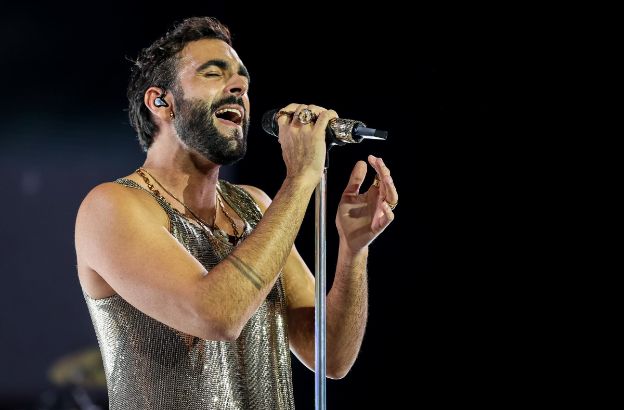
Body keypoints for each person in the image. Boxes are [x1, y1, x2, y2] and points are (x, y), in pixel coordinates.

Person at [74, 16, 398, 409]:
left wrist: (353, 248)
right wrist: (300, 178)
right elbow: (217, 316)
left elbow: (330, 356)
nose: (240, 87)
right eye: (213, 73)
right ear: (161, 101)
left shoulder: (255, 207)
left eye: (243, 80)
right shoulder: (112, 207)